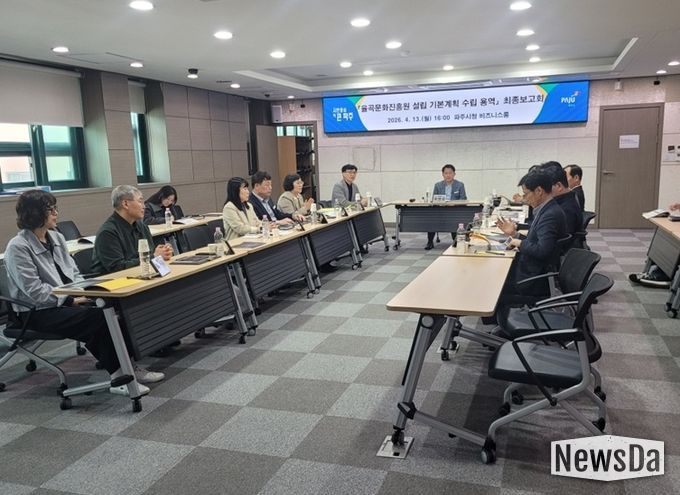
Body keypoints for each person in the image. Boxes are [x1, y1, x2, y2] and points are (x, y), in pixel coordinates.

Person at [3, 190, 153, 395]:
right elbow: (34, 291)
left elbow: (73, 273)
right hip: (36, 311)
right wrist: (70, 300)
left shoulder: (56, 237)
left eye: (55, 208)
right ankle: (120, 377)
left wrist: (88, 291)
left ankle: (130, 368)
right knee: (99, 318)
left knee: (117, 309)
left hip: (66, 299)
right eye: (51, 209)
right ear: (35, 213)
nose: (56, 213)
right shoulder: (18, 247)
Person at [496, 169, 567, 299]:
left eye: (526, 194)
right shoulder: (547, 209)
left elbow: (542, 250)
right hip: (532, 269)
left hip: (532, 279)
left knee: (493, 282)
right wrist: (515, 234)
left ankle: (498, 311)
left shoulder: (549, 215)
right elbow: (536, 242)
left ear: (539, 191)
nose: (525, 199)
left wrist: (519, 242)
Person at [91, 185, 173, 276]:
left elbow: (150, 253)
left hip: (141, 275)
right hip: (114, 281)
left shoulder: (142, 226)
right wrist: (154, 257)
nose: (144, 206)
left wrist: (162, 253)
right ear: (126, 204)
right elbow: (117, 268)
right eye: (140, 201)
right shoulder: (107, 233)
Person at [425, 164, 467, 250]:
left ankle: (456, 241)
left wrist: (454, 204)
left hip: (454, 210)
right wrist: (440, 203)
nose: (448, 175)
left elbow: (463, 199)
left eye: (450, 173)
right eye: (446, 173)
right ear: (443, 174)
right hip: (441, 210)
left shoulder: (460, 185)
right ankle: (430, 242)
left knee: (455, 221)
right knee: (431, 219)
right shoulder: (438, 185)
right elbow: (434, 199)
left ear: (454, 174)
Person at [541, 161, 582, 242]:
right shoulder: (566, 200)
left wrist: (519, 238)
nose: (543, 192)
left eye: (546, 187)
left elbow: (549, 242)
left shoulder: (565, 209)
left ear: (559, 186)